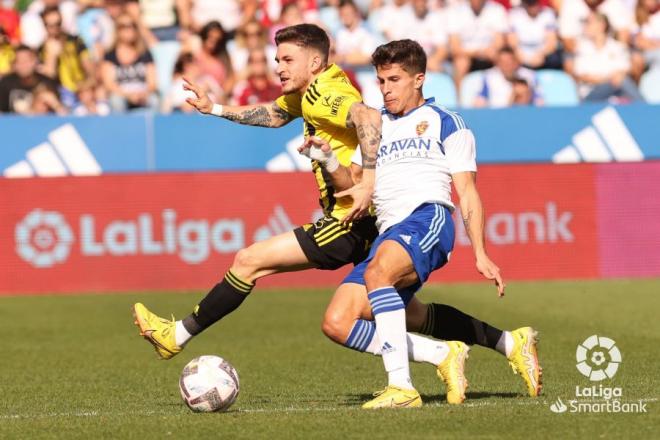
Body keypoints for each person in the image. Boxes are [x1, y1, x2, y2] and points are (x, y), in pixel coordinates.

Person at [132, 24, 541, 403]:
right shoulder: (327, 102)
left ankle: (179, 335)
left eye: (286, 60)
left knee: (250, 260)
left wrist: (367, 183)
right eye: (380, 80)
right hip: (381, 224)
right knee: (363, 319)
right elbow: (276, 115)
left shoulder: (343, 98)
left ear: (314, 62)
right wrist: (216, 109)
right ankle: (497, 344)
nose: (278, 67)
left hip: (366, 221)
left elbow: (368, 124)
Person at [301, 39, 540, 408]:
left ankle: (401, 387)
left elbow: (468, 191)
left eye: (394, 79)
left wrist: (480, 252)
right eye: (381, 81)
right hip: (388, 234)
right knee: (338, 321)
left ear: (419, 79)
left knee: (379, 275)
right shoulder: (374, 128)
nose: (386, 89)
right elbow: (353, 189)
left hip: (427, 219)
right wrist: (327, 159)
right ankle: (499, 344)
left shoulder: (446, 122)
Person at [102, 13, 158, 111]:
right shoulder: (110, 55)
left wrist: (143, 94)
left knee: (154, 100)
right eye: (123, 26)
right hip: (121, 95)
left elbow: (152, 82)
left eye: (132, 26)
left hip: (142, 94)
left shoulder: (145, 53)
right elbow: (109, 84)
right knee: (116, 101)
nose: (129, 30)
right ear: (117, 30)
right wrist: (128, 96)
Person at [0, 44, 61, 113]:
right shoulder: (6, 83)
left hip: (41, 122)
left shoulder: (47, 82)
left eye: (26, 61)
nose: (23, 65)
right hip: (12, 123)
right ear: (13, 65)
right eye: (19, 62)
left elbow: (61, 113)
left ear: (34, 61)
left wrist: (55, 104)